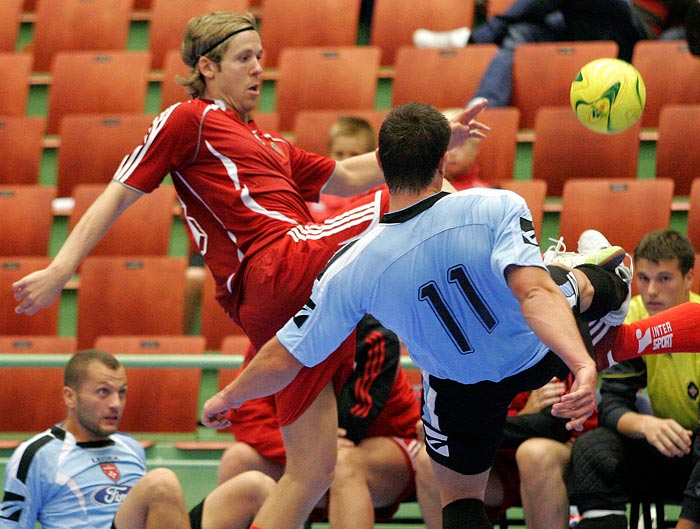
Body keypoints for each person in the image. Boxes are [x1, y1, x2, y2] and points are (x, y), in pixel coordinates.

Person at [11, 12, 490, 529]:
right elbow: (118, 192)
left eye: (260, 56)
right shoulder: (187, 119)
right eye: (245, 58)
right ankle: (518, 281)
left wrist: (441, 133)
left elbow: (351, 174)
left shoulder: (270, 143)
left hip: (292, 296)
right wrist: (62, 267)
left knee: (313, 471)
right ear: (208, 67)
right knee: (420, 197)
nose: (259, 68)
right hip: (277, 265)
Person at [202, 102, 599, 529]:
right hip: (532, 354)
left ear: (382, 166)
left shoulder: (353, 263)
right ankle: (590, 269)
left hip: (459, 383)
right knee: (587, 282)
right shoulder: (495, 205)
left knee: (461, 499)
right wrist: (581, 363)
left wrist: (229, 397)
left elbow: (285, 356)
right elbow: (535, 292)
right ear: (443, 162)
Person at [0, 349, 274, 529]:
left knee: (257, 485)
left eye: (122, 392)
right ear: (70, 397)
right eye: (103, 392)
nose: (116, 403)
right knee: (161, 483)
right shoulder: (37, 453)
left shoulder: (129, 447)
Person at [217, 315, 422, 529]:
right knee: (238, 459)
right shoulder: (275, 332)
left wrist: (312, 453)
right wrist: (306, 452)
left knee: (341, 463)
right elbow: (247, 414)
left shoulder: (374, 336)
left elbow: (350, 426)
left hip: (391, 445)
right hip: (319, 448)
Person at [569, 229, 700, 529]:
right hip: (662, 446)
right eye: (643, 278)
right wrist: (645, 424)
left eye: (664, 279)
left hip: (697, 455)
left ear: (689, 278)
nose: (651, 290)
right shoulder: (630, 317)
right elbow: (612, 404)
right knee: (593, 447)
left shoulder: (697, 319)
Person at [413, 0, 695, 107]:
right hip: (578, 20)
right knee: (523, 34)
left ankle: (477, 36)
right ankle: (486, 107)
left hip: (631, 27)